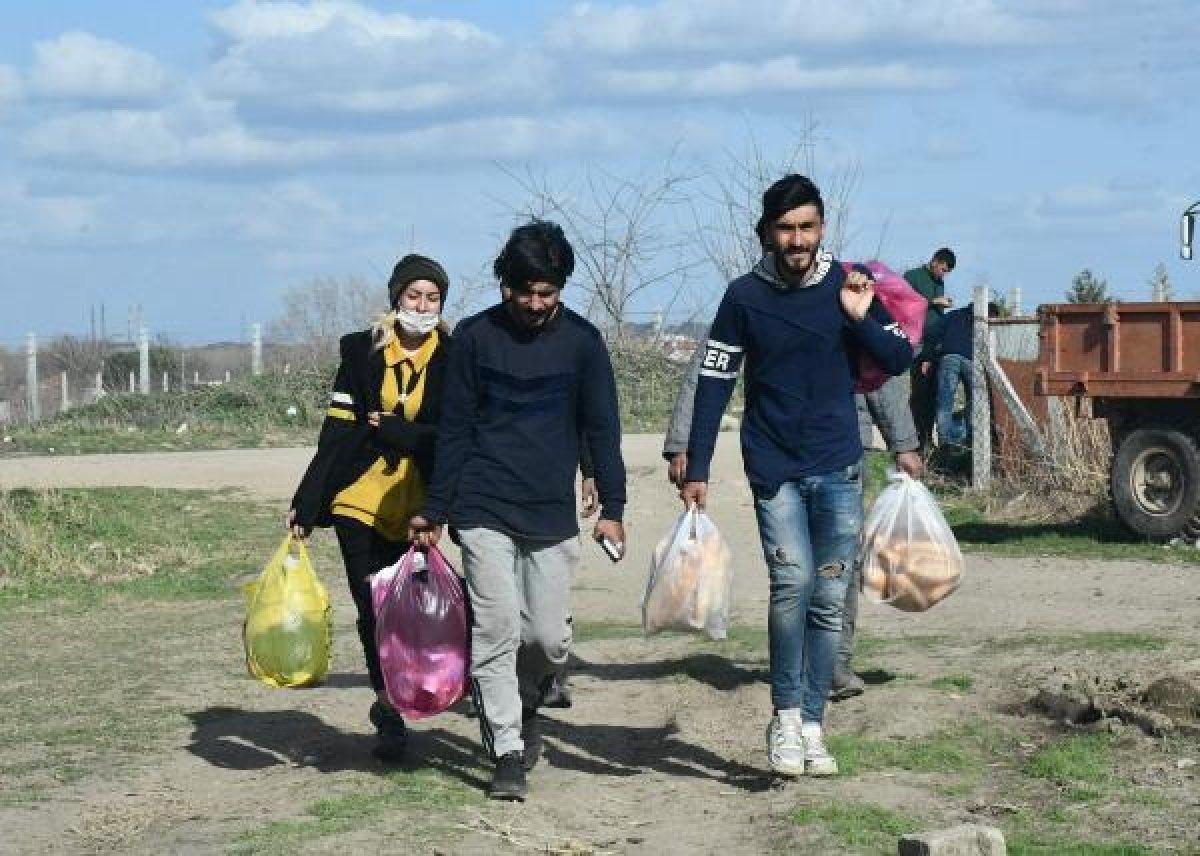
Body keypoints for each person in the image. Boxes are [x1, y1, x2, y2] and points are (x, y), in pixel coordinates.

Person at [680, 175, 913, 778]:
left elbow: (897, 358)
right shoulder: (742, 298)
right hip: (775, 467)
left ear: (822, 229)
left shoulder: (848, 284)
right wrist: (697, 464)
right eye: (786, 228)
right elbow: (713, 381)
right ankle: (784, 716)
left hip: (837, 466)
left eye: (808, 227)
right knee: (792, 585)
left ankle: (813, 725)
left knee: (829, 596)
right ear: (767, 232)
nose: (798, 239)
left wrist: (861, 317)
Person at [409, 220, 627, 801]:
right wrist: (436, 510)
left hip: (550, 507)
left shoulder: (582, 343)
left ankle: (530, 700)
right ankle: (506, 748)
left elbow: (602, 427)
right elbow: (453, 430)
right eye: (524, 290)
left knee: (549, 639)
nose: (535, 304)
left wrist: (613, 503)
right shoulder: (475, 340)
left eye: (547, 293)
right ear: (504, 283)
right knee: (497, 627)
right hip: (483, 505)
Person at [664, 331, 922, 705]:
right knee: (792, 572)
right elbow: (710, 368)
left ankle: (832, 663)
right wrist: (684, 443)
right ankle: (793, 677)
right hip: (775, 450)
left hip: (842, 446)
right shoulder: (754, 299)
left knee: (836, 565)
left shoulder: (843, 291)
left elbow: (879, 366)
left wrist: (904, 441)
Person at [287, 254, 453, 761]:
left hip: (420, 501)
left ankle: (421, 689)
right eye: (413, 296)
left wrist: (401, 432)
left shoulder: (456, 356)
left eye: (432, 299)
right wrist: (307, 499)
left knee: (412, 609)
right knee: (371, 606)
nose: (422, 307)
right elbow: (337, 431)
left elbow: (452, 436)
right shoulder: (361, 352)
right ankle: (387, 709)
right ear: (396, 298)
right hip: (358, 496)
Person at [920, 301, 998, 448]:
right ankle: (972, 442)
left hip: (949, 357)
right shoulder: (985, 320)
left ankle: (945, 444)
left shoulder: (953, 315)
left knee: (945, 402)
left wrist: (927, 357)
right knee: (974, 402)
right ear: (992, 313)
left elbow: (931, 332)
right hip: (971, 360)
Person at [904, 248, 956, 452]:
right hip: (916, 342)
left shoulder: (939, 283)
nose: (943, 274)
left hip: (934, 344)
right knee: (919, 393)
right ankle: (915, 439)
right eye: (942, 269)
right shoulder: (912, 276)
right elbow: (905, 303)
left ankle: (927, 436)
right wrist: (935, 302)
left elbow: (934, 312)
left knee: (934, 392)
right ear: (935, 261)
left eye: (946, 272)